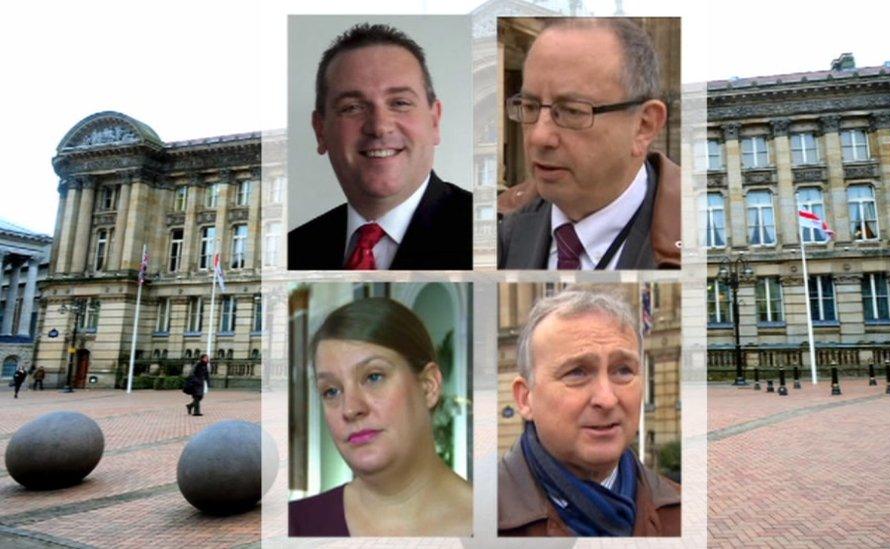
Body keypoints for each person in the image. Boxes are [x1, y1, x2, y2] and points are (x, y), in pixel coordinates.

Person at [497, 18, 681, 270]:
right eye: (530, 107)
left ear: (644, 126)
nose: (539, 136)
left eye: (572, 111)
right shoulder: (495, 227)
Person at [288, 23, 472, 271]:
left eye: (400, 103)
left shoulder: (484, 237)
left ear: (435, 120)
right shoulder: (296, 249)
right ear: (320, 130)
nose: (379, 126)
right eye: (352, 107)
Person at [498, 290, 680, 537]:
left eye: (623, 370)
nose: (606, 399)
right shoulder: (478, 517)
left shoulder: (678, 512)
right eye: (577, 373)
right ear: (525, 398)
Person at [290, 297, 472, 536]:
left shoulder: (506, 525)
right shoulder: (292, 527)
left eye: (374, 377)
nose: (350, 409)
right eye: (331, 391)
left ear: (428, 386)